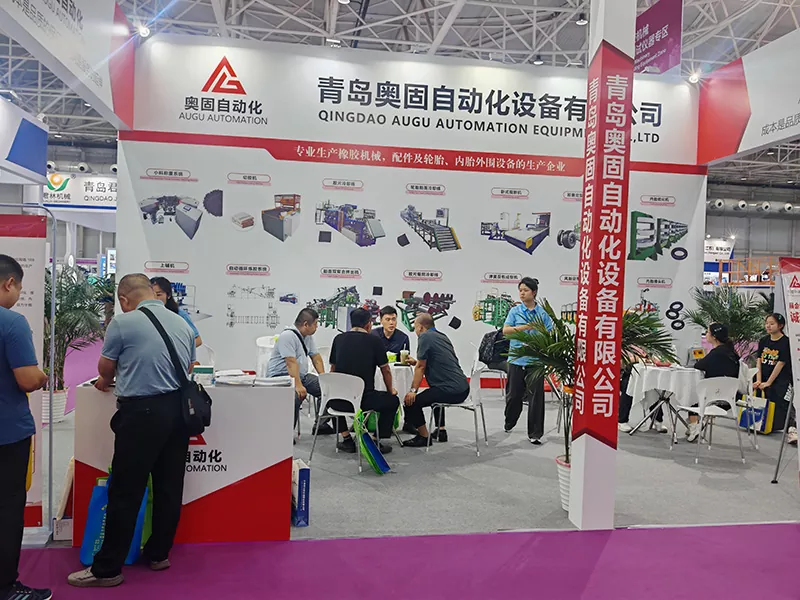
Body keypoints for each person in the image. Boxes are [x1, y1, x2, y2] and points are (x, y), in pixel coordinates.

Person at [68, 273, 196, 588]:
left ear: (124, 300)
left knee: (125, 490)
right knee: (169, 487)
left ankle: (107, 569)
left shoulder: (123, 323)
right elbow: (189, 366)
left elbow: (105, 368)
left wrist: (110, 378)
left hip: (142, 414)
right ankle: (159, 554)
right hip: (178, 413)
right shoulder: (182, 323)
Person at [0, 255, 51, 600]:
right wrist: (43, 377)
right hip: (6, 433)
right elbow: (28, 379)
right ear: (9, 283)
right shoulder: (11, 323)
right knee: (7, 508)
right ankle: (5, 586)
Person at [327, 308, 400, 454]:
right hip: (364, 401)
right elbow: (385, 370)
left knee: (329, 399)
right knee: (392, 401)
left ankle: (347, 439)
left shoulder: (338, 339)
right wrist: (390, 390)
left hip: (339, 401)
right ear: (368, 324)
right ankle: (375, 440)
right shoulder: (374, 341)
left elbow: (332, 369)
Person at [402, 313, 469, 447]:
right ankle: (441, 430)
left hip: (450, 390)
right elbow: (438, 360)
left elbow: (421, 367)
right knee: (434, 392)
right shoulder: (442, 336)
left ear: (420, 327)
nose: (415, 331)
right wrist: (416, 362)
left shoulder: (424, 337)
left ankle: (423, 436)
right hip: (463, 387)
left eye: (415, 327)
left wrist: (413, 391)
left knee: (411, 402)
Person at [502, 277, 553, 444]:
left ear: (534, 292)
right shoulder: (515, 311)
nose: (522, 293)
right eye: (520, 290)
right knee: (514, 395)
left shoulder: (542, 314)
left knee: (536, 398)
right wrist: (524, 328)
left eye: (525, 290)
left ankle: (535, 433)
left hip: (535, 361)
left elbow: (550, 334)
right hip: (516, 359)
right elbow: (506, 331)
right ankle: (509, 421)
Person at [267, 308, 333, 435]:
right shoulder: (287, 336)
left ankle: (321, 425)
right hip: (282, 377)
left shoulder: (307, 337)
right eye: (315, 324)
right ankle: (285, 434)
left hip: (301, 376)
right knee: (295, 397)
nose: (317, 327)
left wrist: (323, 378)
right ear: (306, 324)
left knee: (327, 389)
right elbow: (290, 362)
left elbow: (316, 357)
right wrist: (297, 385)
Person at [685, 323, 740, 442]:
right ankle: (696, 424)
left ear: (714, 337)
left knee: (692, 397)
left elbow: (699, 365)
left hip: (714, 397)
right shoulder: (732, 353)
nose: (706, 334)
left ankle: (694, 426)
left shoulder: (716, 353)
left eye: (707, 332)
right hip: (731, 396)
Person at [372, 305, 417, 434]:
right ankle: (366, 420)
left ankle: (409, 422)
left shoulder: (403, 337)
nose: (391, 323)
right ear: (381, 320)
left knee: (408, 390)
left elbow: (405, 358)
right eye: (388, 319)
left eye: (394, 319)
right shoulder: (373, 335)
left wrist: (409, 360)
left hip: (397, 372)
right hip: (377, 371)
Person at [756, 313, 796, 445]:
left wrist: (769, 382)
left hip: (781, 380)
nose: (768, 326)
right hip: (764, 377)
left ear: (780, 326)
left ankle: (793, 430)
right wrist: (759, 379)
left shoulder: (785, 343)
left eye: (772, 323)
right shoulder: (763, 340)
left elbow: (780, 364)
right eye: (767, 323)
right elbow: (759, 360)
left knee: (784, 404)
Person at [150, 277, 202, 348]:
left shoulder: (179, 314)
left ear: (168, 295)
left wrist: (179, 350)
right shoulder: (143, 314)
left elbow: (198, 340)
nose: (155, 298)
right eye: (152, 295)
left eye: (159, 295)